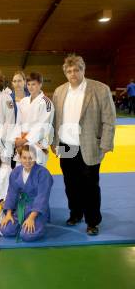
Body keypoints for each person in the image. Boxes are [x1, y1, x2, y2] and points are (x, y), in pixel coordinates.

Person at [52, 54, 116, 236]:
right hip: (66, 145)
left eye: (76, 70)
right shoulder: (59, 91)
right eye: (69, 71)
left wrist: (105, 144)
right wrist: (54, 142)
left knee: (90, 186)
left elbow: (109, 120)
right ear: (66, 73)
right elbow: (56, 120)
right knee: (70, 184)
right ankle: (75, 214)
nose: (73, 74)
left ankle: (92, 221)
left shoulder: (100, 89)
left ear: (83, 70)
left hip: (89, 145)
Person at [0, 145, 53, 242]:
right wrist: (8, 214)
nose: (27, 161)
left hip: (37, 210)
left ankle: (39, 223)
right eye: (24, 158)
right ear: (20, 158)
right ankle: (21, 222)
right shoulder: (16, 172)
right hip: (21, 207)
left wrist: (31, 218)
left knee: (27, 235)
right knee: (6, 230)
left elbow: (42, 197)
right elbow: (12, 193)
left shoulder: (43, 174)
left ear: (35, 158)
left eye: (31, 158)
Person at [11, 72, 54, 166]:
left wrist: (25, 140)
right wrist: (17, 140)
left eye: (34, 84)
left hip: (37, 145)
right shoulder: (24, 101)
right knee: (21, 176)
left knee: (36, 176)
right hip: (21, 146)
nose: (30, 87)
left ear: (40, 84)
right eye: (29, 84)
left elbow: (43, 127)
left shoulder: (46, 103)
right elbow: (18, 123)